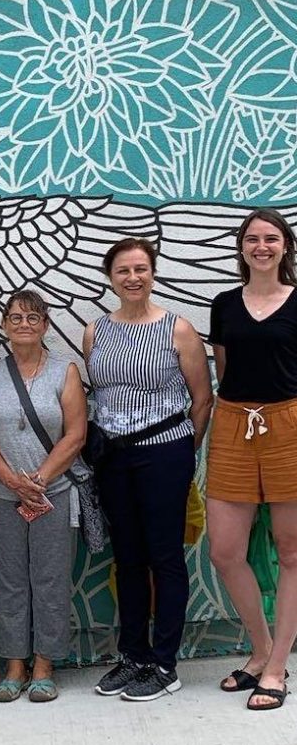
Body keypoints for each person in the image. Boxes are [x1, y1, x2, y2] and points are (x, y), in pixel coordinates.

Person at [83, 239, 212, 702]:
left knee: (165, 556)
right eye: (123, 270)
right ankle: (133, 655)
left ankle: (164, 663)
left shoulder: (178, 329)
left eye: (141, 268)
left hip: (164, 454)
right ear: (111, 277)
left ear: (152, 273)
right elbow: (100, 394)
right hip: (114, 458)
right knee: (129, 557)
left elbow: (202, 400)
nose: (132, 277)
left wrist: (182, 451)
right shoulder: (95, 330)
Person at [0, 290, 87, 703]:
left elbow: (75, 434)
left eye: (33, 318)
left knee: (51, 578)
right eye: (16, 317)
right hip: (3, 495)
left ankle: (44, 663)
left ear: (46, 325)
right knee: (10, 580)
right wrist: (11, 480)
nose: (24, 324)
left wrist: (37, 480)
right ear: (4, 325)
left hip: (52, 492)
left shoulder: (65, 371)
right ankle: (14, 664)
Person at [207, 209, 297, 710]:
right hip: (235, 423)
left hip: (290, 425)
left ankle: (279, 663)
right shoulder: (224, 304)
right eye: (252, 239)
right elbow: (225, 370)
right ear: (241, 247)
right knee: (224, 549)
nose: (261, 246)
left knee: (291, 553)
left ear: (285, 247)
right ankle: (259, 649)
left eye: (271, 238)